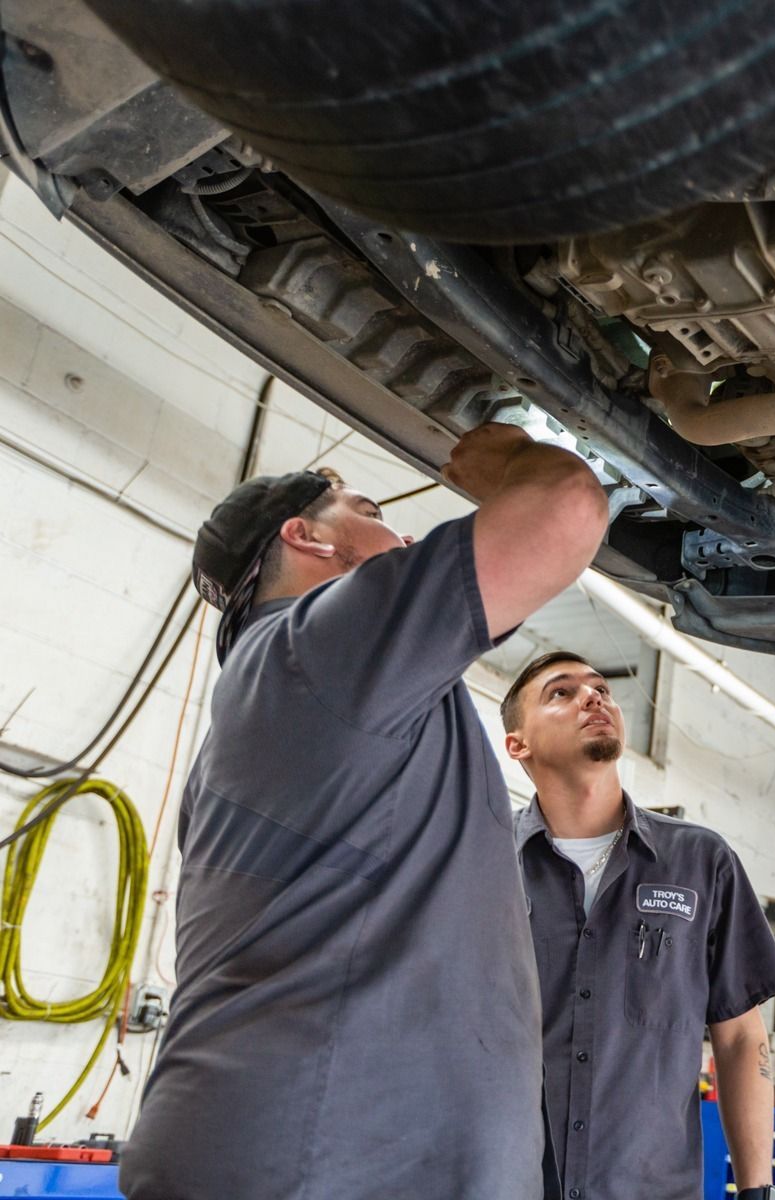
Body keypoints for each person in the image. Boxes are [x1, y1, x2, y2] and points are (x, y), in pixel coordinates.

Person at [121, 424, 609, 1200]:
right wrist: (511, 464)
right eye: (370, 507)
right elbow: (566, 506)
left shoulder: (278, 695)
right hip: (324, 1159)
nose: (405, 532)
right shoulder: (317, 651)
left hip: (316, 1152)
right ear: (307, 538)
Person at [501, 651, 775, 1200]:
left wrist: (758, 1190)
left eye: (600, 687)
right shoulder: (482, 862)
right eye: (560, 693)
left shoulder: (701, 862)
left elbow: (739, 1039)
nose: (594, 696)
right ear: (519, 744)